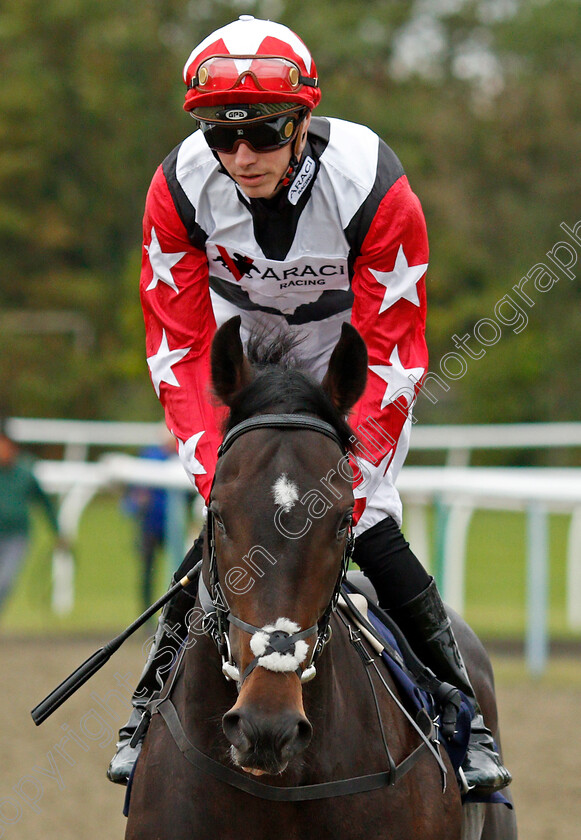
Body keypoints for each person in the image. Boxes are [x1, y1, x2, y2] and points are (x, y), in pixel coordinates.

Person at [108, 15, 511, 796]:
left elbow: (393, 352)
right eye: (221, 139)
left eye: (261, 134)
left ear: (300, 123)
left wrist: (343, 473)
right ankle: (144, 704)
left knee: (364, 516)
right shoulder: (178, 186)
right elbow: (178, 344)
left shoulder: (372, 183)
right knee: (236, 519)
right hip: (241, 361)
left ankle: (463, 715)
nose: (241, 157)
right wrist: (215, 466)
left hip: (348, 360)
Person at [0, 420, 62, 615]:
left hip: (16, 536)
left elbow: (45, 504)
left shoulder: (24, 472)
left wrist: (58, 532)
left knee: (4, 581)